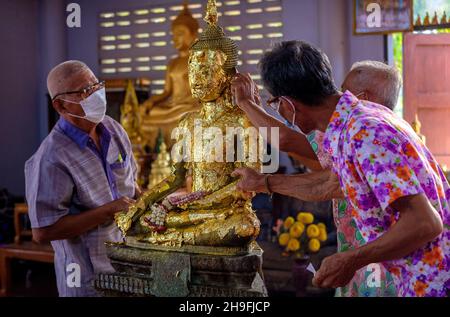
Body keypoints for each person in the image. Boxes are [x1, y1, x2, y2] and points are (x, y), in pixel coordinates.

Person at [231, 41, 448, 297]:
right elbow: (331, 184)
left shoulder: (364, 132)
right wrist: (262, 182)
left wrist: (351, 260)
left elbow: (424, 223)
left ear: (288, 104)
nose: (279, 110)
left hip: (431, 281)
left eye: (275, 103)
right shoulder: (349, 123)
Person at [25, 60, 139, 296]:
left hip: (129, 266)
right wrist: (109, 210)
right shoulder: (51, 157)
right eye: (85, 92)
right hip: (87, 277)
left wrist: (151, 201)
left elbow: (130, 185)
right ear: (60, 105)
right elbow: (43, 232)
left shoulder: (113, 129)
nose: (96, 94)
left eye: (97, 86)